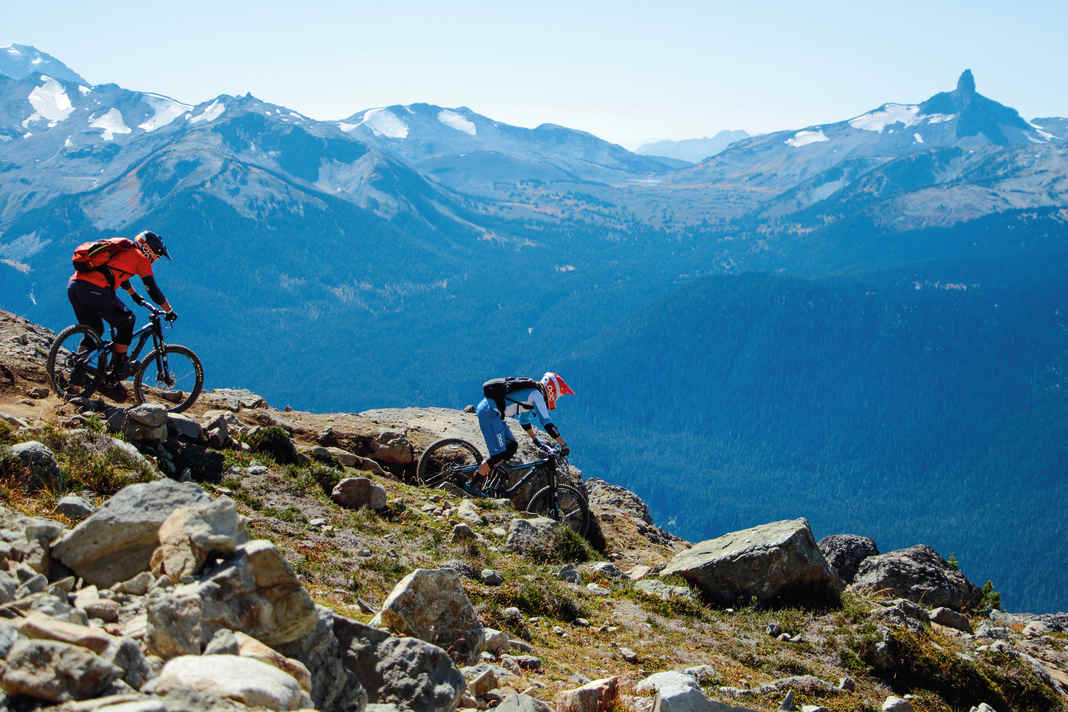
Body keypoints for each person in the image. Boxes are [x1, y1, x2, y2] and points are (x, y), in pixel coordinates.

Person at [67, 230, 177, 383]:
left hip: (75, 286)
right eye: (157, 256)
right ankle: (119, 366)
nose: (156, 260)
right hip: (95, 289)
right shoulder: (141, 259)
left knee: (94, 330)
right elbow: (153, 290)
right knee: (128, 320)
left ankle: (78, 370)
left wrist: (133, 294)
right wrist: (169, 310)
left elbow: (119, 275)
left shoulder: (125, 250)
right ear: (150, 249)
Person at [472, 372, 574, 490]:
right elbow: (547, 423)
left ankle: (491, 473)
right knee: (499, 454)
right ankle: (473, 484)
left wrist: (536, 440)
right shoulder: (536, 395)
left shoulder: (533, 393)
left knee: (512, 446)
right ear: (552, 390)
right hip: (490, 414)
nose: (556, 398)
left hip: (494, 414)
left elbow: (524, 421)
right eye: (558, 395)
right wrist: (563, 445)